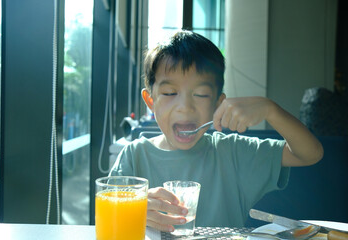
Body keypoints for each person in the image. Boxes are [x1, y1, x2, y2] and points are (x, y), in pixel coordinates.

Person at [109, 30, 323, 232]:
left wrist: (270, 110)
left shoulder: (233, 152)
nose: (185, 106)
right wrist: (133, 210)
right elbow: (109, 220)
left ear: (218, 104)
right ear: (150, 100)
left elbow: (310, 154)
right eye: (170, 92)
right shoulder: (134, 156)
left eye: (201, 94)